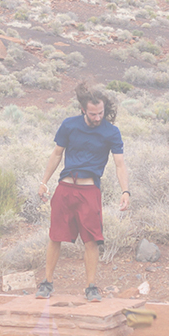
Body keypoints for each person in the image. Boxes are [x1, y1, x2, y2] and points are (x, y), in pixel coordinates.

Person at [36, 82, 130, 302]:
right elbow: (57, 154)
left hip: (89, 191)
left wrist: (125, 191)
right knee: (55, 236)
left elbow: (119, 164)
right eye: (93, 114)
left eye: (101, 113)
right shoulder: (69, 125)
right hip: (66, 187)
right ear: (83, 110)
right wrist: (43, 181)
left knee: (92, 240)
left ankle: (91, 287)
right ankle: (47, 283)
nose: (97, 118)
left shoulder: (111, 132)